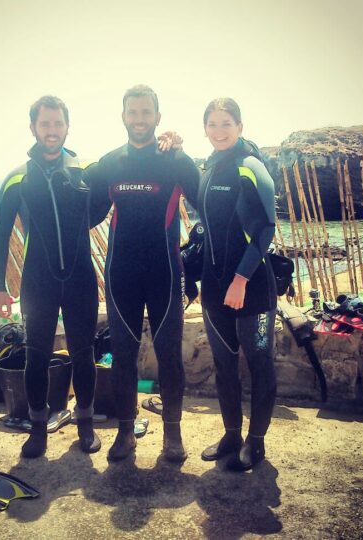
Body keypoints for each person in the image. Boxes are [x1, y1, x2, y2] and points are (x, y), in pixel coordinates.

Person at [87, 84, 200, 462]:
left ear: (158, 117)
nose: (139, 119)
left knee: (170, 356)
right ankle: (125, 434)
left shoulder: (176, 160)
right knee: (123, 354)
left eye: (145, 112)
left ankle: (172, 435)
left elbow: (211, 202)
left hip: (165, 273)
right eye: (132, 112)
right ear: (123, 117)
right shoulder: (109, 164)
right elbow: (89, 214)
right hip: (121, 276)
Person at [0, 95, 100, 458]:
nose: (52, 131)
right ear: (33, 128)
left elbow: (127, 172)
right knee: (35, 356)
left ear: (67, 126)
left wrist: (169, 144)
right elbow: (1, 234)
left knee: (84, 354)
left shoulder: (86, 171)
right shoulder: (17, 178)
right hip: (38, 282)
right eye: (45, 124)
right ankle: (38, 427)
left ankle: (84, 423)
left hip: (81, 278)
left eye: (58, 124)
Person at [198, 97, 277, 471]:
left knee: (259, 362)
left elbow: (266, 228)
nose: (219, 131)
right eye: (212, 124)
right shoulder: (208, 169)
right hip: (214, 288)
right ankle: (231, 434)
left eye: (226, 123)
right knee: (223, 363)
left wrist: (241, 278)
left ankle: (255, 442)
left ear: (240, 127)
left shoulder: (250, 167)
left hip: (253, 287)